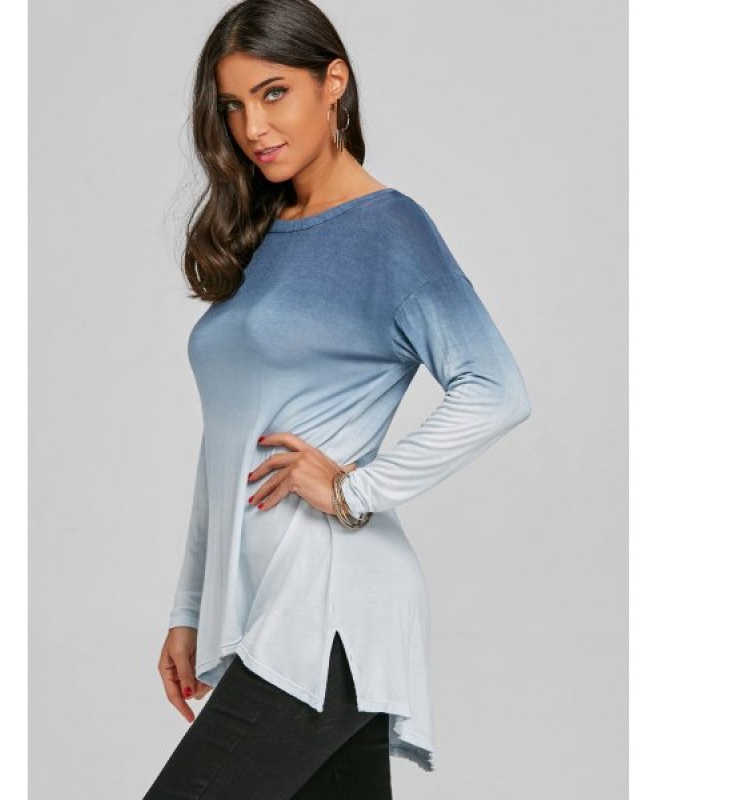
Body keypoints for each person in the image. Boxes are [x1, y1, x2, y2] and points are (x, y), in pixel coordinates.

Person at [142, 0, 532, 797]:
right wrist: (189, 607)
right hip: (276, 603)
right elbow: (226, 443)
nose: (253, 127)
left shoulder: (389, 230)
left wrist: (354, 489)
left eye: (274, 93)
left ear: (333, 83)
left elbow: (496, 390)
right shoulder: (267, 234)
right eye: (234, 105)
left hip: (330, 604)